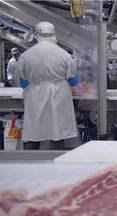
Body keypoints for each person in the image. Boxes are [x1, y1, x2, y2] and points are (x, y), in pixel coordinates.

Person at [15, 21, 80, 150]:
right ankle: (56, 160)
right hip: (59, 94)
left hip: (35, 96)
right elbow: (73, 80)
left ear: (37, 34)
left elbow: (23, 82)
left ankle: (30, 162)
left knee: (34, 131)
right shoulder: (63, 54)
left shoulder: (26, 56)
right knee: (58, 131)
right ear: (54, 34)